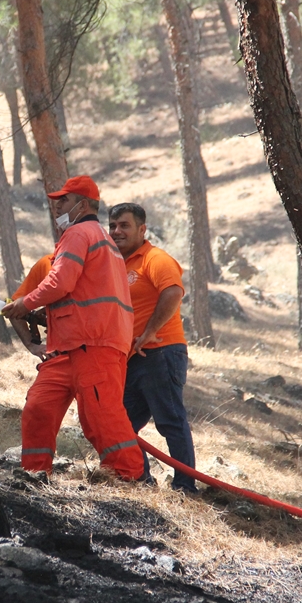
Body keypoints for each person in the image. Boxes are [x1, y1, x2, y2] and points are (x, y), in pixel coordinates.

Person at [1, 176, 147, 481]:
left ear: (83, 205)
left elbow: (60, 282)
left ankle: (129, 479)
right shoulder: (97, 239)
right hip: (70, 347)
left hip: (93, 345)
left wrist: (25, 304)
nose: (57, 207)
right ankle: (35, 475)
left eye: (64, 201)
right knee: (39, 407)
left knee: (101, 417)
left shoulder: (80, 233)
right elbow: (76, 291)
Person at [108, 202, 199, 492]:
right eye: (112, 226)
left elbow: (173, 292)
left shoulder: (155, 259)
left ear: (142, 229)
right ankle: (142, 479)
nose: (117, 231)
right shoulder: (114, 264)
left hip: (161, 352)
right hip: (132, 357)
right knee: (121, 421)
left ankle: (185, 488)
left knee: (170, 421)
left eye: (124, 225)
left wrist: (149, 332)